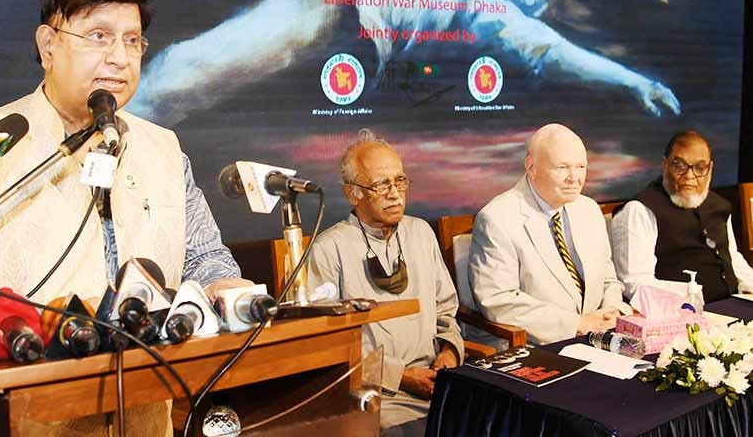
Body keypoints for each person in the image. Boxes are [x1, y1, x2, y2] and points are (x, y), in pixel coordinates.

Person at [0, 0, 249, 436]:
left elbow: (205, 258)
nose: (119, 57)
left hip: (146, 413)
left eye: (132, 40)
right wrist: (16, 328)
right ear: (48, 45)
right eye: (98, 36)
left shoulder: (162, 147)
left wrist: (227, 291)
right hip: (23, 415)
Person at [307, 129, 464, 437]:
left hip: (438, 382)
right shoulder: (329, 249)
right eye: (381, 185)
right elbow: (326, 348)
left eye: (400, 181)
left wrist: (449, 353)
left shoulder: (421, 233)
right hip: (376, 394)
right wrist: (402, 376)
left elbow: (447, 311)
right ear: (354, 193)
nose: (395, 193)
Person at [468, 123, 631, 345]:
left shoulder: (589, 209)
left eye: (581, 167)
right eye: (562, 167)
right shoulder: (497, 218)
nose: (574, 178)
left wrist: (612, 310)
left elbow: (608, 278)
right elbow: (498, 300)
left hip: (597, 338)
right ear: (531, 167)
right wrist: (576, 324)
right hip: (535, 346)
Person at [610, 130, 753, 302]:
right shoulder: (639, 210)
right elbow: (634, 284)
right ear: (665, 165)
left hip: (732, 306)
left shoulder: (720, 205)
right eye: (679, 166)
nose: (690, 176)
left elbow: (732, 258)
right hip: (677, 316)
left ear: (710, 169)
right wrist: (691, 297)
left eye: (700, 168)